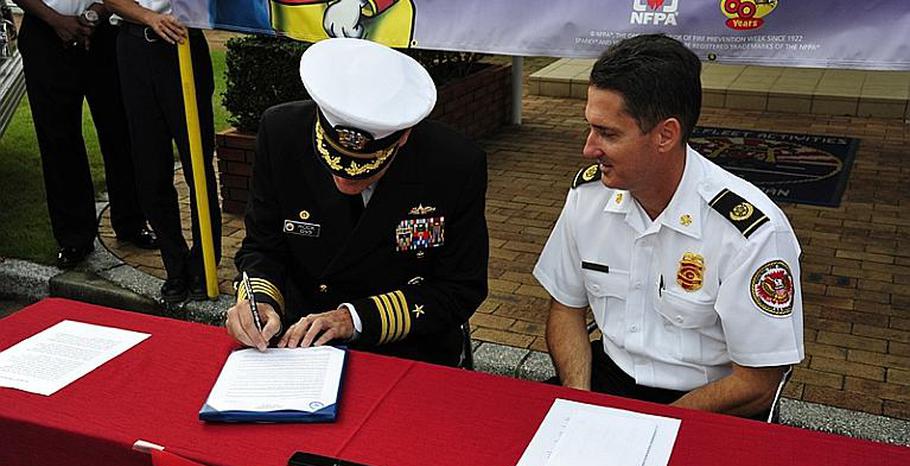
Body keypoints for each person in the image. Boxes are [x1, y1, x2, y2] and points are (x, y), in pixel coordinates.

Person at [533, 34, 804, 418]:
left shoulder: (751, 232)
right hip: (607, 381)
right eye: (591, 128)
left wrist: (652, 428)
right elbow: (565, 308)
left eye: (608, 133)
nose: (589, 148)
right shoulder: (588, 196)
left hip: (712, 402)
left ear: (665, 135)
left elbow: (757, 384)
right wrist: (580, 400)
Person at [225, 38, 488, 367]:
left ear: (404, 135)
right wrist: (259, 302)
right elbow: (263, 247)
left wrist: (353, 319)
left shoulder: (454, 165)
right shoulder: (282, 134)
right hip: (299, 350)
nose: (345, 180)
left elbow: (460, 287)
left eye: (365, 169)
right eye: (333, 162)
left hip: (407, 351)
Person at [13, 0, 157, 269]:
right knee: (58, 138)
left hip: (103, 29)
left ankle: (131, 223)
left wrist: (95, 15)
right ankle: (74, 237)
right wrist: (56, 21)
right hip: (45, 32)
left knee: (120, 132)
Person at [103, 0, 221, 303]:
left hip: (183, 43)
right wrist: (149, 17)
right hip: (134, 49)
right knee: (150, 166)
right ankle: (174, 264)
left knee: (198, 165)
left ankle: (204, 262)